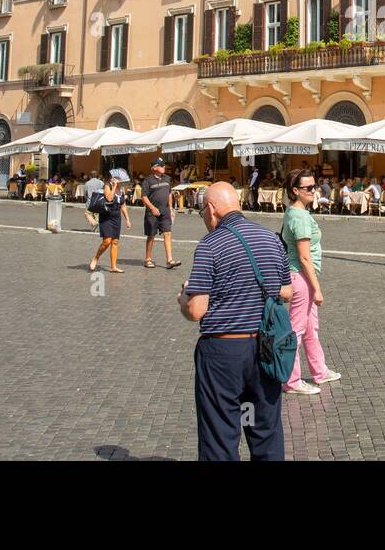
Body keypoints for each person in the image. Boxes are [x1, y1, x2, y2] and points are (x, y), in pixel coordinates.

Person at [180, 182, 292, 461]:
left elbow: (196, 310)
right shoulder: (270, 238)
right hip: (266, 349)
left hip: (224, 353)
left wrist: (183, 297)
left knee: (220, 434)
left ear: (210, 208)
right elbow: (287, 292)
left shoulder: (210, 244)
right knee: (265, 431)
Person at [280, 169, 342, 396]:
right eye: (308, 188)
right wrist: (317, 289)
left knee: (310, 329)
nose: (313, 191)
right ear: (295, 191)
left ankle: (319, 371)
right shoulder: (300, 217)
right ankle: (291, 380)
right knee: (296, 331)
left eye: (314, 186)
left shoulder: (295, 212)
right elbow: (304, 257)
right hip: (301, 278)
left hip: (301, 276)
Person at [88, 169, 130, 273]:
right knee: (107, 241)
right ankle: (96, 258)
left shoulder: (122, 190)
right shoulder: (107, 185)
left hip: (116, 216)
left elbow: (123, 205)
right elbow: (109, 198)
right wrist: (114, 186)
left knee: (115, 241)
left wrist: (127, 219)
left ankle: (113, 266)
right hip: (106, 215)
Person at [142, 158, 181, 270]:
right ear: (154, 168)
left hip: (165, 211)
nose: (164, 167)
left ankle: (169, 260)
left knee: (167, 233)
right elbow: (144, 197)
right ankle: (148, 259)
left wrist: (170, 208)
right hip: (152, 212)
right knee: (151, 235)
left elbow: (169, 193)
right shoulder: (147, 181)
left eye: (164, 165)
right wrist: (152, 208)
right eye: (161, 165)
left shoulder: (167, 179)